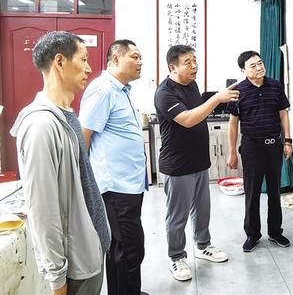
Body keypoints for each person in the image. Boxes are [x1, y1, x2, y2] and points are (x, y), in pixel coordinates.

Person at [10, 31, 110, 295]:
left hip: (90, 251)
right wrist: (57, 278)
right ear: (60, 61)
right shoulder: (41, 126)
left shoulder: (67, 115)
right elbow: (43, 210)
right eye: (83, 59)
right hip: (75, 268)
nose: (89, 68)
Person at [154, 45, 239, 281]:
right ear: (172, 67)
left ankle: (203, 246)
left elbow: (199, 111)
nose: (194, 66)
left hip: (199, 161)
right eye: (187, 62)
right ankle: (176, 257)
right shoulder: (164, 92)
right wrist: (217, 98)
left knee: (202, 210)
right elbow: (188, 119)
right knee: (177, 215)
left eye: (195, 61)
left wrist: (216, 100)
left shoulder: (192, 84)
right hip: (177, 165)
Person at [79, 39, 148, 295]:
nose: (140, 62)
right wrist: (85, 185)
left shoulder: (122, 91)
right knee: (127, 248)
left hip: (129, 185)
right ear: (116, 59)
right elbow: (84, 137)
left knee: (126, 247)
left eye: (141, 57)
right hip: (115, 187)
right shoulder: (103, 89)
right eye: (135, 57)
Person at [226, 50, 293, 252]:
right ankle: (252, 234)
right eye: (253, 66)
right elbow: (233, 123)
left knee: (274, 191)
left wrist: (287, 141)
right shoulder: (237, 91)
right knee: (252, 192)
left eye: (260, 63)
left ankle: (275, 232)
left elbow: (283, 114)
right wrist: (232, 152)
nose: (259, 67)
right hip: (251, 147)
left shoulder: (275, 86)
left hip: (273, 145)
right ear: (243, 70)